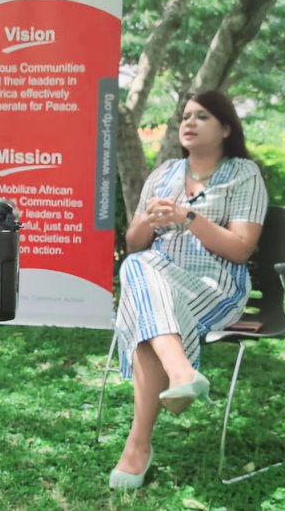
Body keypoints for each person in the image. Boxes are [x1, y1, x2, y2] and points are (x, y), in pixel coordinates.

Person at [108, 90, 268, 490]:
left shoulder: (243, 174)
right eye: (186, 116)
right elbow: (134, 242)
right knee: (140, 267)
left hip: (215, 286)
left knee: (145, 306)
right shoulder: (162, 173)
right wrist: (151, 220)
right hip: (159, 277)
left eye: (202, 117)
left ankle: (138, 448)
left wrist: (187, 216)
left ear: (226, 128)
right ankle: (181, 371)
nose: (189, 123)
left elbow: (240, 247)